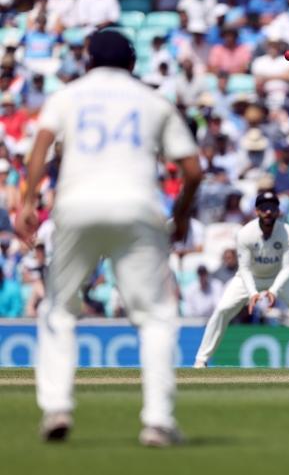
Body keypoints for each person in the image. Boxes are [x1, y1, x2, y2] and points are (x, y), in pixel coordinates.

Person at [15, 30, 202, 446]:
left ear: (88, 61)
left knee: (59, 309)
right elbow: (192, 170)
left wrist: (27, 203)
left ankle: (57, 408)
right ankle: (157, 421)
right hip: (137, 208)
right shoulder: (153, 100)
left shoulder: (68, 96)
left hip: (75, 206)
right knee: (155, 316)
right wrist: (181, 215)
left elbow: (40, 146)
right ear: (132, 64)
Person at [194, 192, 289, 369]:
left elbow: (287, 268)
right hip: (251, 277)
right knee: (222, 310)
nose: (268, 211)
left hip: (281, 277)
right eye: (264, 208)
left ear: (278, 212)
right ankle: (201, 359)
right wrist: (252, 293)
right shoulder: (245, 233)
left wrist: (273, 290)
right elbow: (244, 269)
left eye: (272, 208)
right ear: (257, 211)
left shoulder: (288, 233)